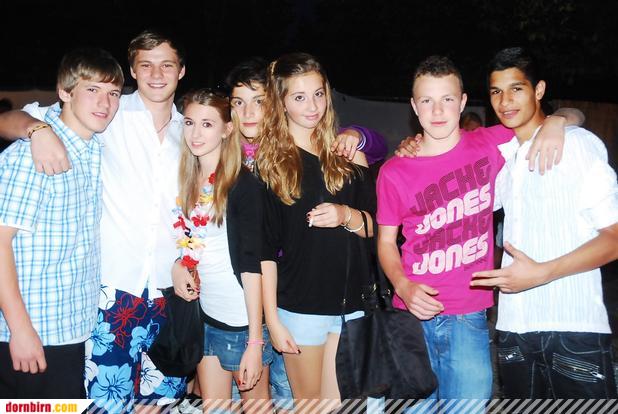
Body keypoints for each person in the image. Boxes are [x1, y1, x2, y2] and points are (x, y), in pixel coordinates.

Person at [375, 55, 585, 405]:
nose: (437, 110)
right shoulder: (395, 170)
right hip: (409, 317)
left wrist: (557, 122)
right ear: (414, 106)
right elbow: (385, 242)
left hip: (468, 315)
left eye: (447, 99)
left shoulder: (490, 143)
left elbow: (573, 114)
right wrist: (402, 284)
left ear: (462, 102)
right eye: (427, 100)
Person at [0, 30, 188, 410]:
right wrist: (36, 130)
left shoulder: (192, 131)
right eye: (146, 65)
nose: (156, 74)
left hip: (158, 297)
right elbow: (7, 119)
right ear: (133, 70)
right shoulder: (105, 117)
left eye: (167, 65)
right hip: (106, 297)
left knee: (160, 403)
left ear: (181, 71)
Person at [224, 56, 388, 411]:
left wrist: (345, 215)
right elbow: (264, 254)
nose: (312, 106)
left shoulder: (348, 156)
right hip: (301, 310)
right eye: (299, 97)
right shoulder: (268, 168)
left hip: (353, 309)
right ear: (281, 102)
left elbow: (378, 230)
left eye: (318, 94)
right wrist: (273, 320)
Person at [470, 47, 618, 399]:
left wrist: (542, 273)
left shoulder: (577, 145)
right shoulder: (506, 163)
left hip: (572, 329)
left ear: (538, 90)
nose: (505, 101)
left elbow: (614, 237)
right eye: (496, 91)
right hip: (513, 331)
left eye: (516, 88)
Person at [0, 48, 123, 398]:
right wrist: (20, 330)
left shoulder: (93, 148)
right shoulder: (31, 155)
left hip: (71, 327)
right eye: (92, 90)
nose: (105, 103)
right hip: (34, 332)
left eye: (113, 93)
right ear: (65, 92)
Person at [170, 89, 273, 413]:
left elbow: (252, 265)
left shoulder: (242, 185)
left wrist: (255, 342)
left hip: (241, 322)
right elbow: (193, 243)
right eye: (189, 123)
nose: (196, 134)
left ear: (228, 129)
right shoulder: (188, 179)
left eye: (207, 124)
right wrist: (179, 265)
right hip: (204, 317)